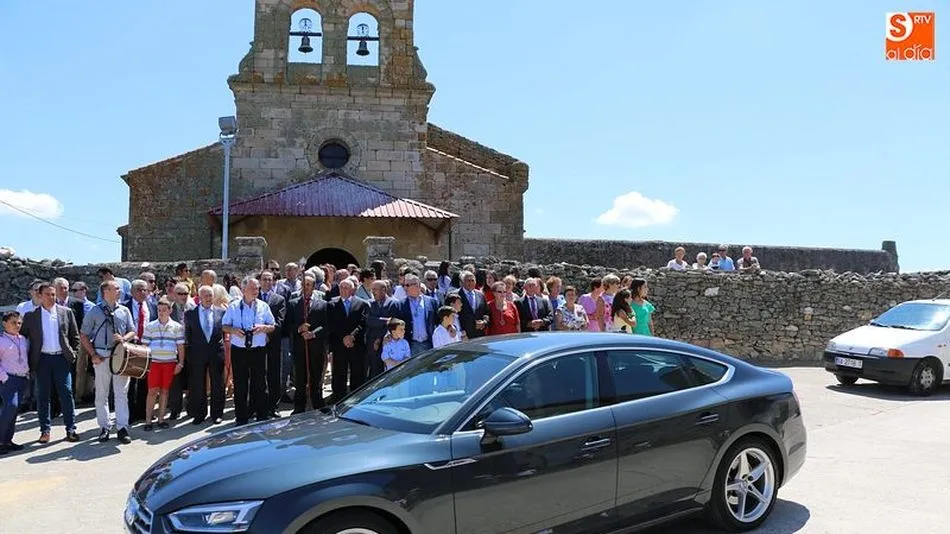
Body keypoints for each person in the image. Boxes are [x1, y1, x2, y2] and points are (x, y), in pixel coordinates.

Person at [20, 282, 81, 444]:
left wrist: (73, 353)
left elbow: (75, 335)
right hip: (42, 360)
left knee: (66, 394)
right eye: (47, 294)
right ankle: (45, 431)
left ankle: (71, 429)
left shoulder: (66, 312)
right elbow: (22, 337)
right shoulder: (31, 317)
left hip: (61, 359)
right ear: (39, 296)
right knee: (43, 396)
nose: (51, 297)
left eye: (53, 294)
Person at [80, 279, 137, 444]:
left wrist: (124, 338)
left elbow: (132, 331)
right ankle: (104, 427)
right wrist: (92, 354)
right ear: (106, 291)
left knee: (121, 394)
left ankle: (122, 428)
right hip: (101, 355)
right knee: (102, 394)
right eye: (116, 288)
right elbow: (83, 334)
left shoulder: (124, 310)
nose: (119, 291)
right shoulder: (94, 311)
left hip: (120, 356)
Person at [221, 276, 276, 426]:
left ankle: (262, 416)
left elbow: (273, 326)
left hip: (258, 350)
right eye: (252, 288)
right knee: (240, 384)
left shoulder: (263, 306)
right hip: (239, 350)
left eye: (257, 288)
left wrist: (263, 328)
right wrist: (233, 330)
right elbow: (224, 325)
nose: (255, 291)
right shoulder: (233, 306)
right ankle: (241, 418)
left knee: (260, 383)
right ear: (244, 290)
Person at [140, 298, 185, 431]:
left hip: (169, 363)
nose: (161, 313)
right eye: (159, 310)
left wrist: (181, 363)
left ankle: (161, 419)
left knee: (165, 391)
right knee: (152, 391)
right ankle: (148, 421)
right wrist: (144, 364)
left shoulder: (177, 327)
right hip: (154, 363)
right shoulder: (150, 326)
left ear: (170, 311)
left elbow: (181, 347)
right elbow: (144, 346)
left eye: (164, 310)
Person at [0, 311, 29, 453]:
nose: (17, 325)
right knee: (10, 406)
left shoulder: (22, 339)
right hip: (8, 379)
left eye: (19, 323)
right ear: (4, 323)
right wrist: (3, 377)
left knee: (14, 411)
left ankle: (8, 440)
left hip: (22, 378)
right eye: (13, 322)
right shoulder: (1, 341)